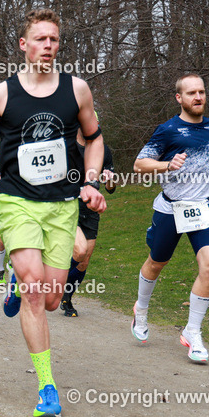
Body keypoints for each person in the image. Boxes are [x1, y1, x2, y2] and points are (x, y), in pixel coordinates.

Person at [0, 8, 107, 417]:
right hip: (16, 201)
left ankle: (15, 280)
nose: (48, 46)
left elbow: (94, 139)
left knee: (52, 297)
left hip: (61, 206)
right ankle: (47, 387)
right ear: (24, 46)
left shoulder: (76, 90)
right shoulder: (1, 94)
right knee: (33, 288)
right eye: (40, 39)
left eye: (54, 40)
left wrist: (91, 182)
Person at [131, 73, 209, 363]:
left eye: (201, 92)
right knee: (156, 263)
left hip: (202, 207)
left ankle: (193, 331)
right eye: (191, 93)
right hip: (171, 209)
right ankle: (142, 310)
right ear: (179, 98)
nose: (198, 97)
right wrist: (166, 164)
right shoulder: (168, 130)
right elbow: (139, 165)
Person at [60, 127, 118, 317]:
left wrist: (110, 180)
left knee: (84, 261)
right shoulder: (67, 146)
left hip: (91, 208)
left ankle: (66, 298)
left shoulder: (103, 149)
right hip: (69, 206)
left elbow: (110, 188)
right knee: (80, 250)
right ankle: (53, 286)